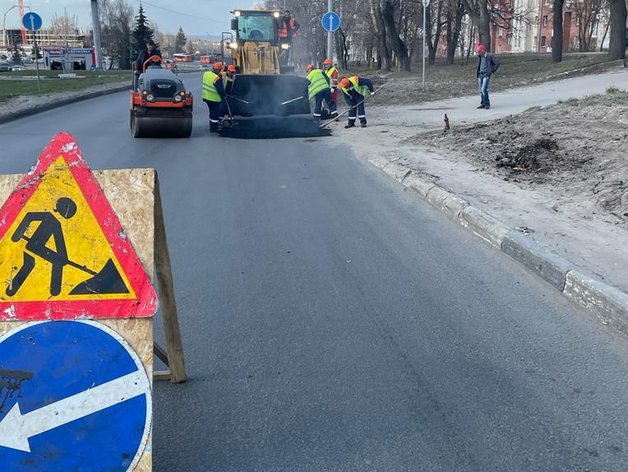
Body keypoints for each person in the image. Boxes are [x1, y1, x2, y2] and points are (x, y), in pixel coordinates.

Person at [202, 62, 226, 132]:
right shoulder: (216, 78)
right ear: (218, 70)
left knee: (211, 112)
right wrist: (223, 97)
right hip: (214, 99)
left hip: (206, 97)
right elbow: (220, 89)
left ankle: (212, 125)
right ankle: (214, 128)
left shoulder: (206, 74)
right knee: (215, 113)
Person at [476, 44, 499, 110]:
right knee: (481, 90)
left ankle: (487, 103)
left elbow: (497, 63)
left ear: (483, 50)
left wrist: (492, 70)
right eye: (478, 51)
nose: (479, 53)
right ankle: (483, 103)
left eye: (480, 51)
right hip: (480, 74)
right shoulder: (480, 57)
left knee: (484, 89)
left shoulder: (490, 56)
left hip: (486, 74)